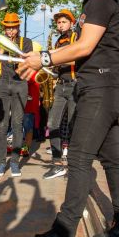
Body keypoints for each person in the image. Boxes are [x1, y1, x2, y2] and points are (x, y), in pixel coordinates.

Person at [19, 0, 119, 237]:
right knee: (112, 159)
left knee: (80, 158)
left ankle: (63, 234)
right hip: (106, 86)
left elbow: (84, 46)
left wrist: (42, 57)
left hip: (100, 87)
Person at [0, 12, 32, 178]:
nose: (10, 31)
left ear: (18, 27)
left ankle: (14, 162)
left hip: (20, 84)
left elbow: (28, 63)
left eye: (13, 27)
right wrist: (1, 49)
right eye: (7, 28)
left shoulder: (26, 42)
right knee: (2, 124)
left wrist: (16, 53)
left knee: (17, 123)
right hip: (2, 83)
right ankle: (1, 162)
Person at [43, 9, 77, 180]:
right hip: (60, 86)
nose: (60, 24)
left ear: (71, 23)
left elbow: (77, 58)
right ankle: (57, 163)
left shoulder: (75, 37)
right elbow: (57, 63)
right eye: (58, 22)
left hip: (74, 86)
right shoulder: (57, 41)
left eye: (64, 22)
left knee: (73, 126)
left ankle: (74, 165)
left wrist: (55, 59)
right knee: (52, 123)